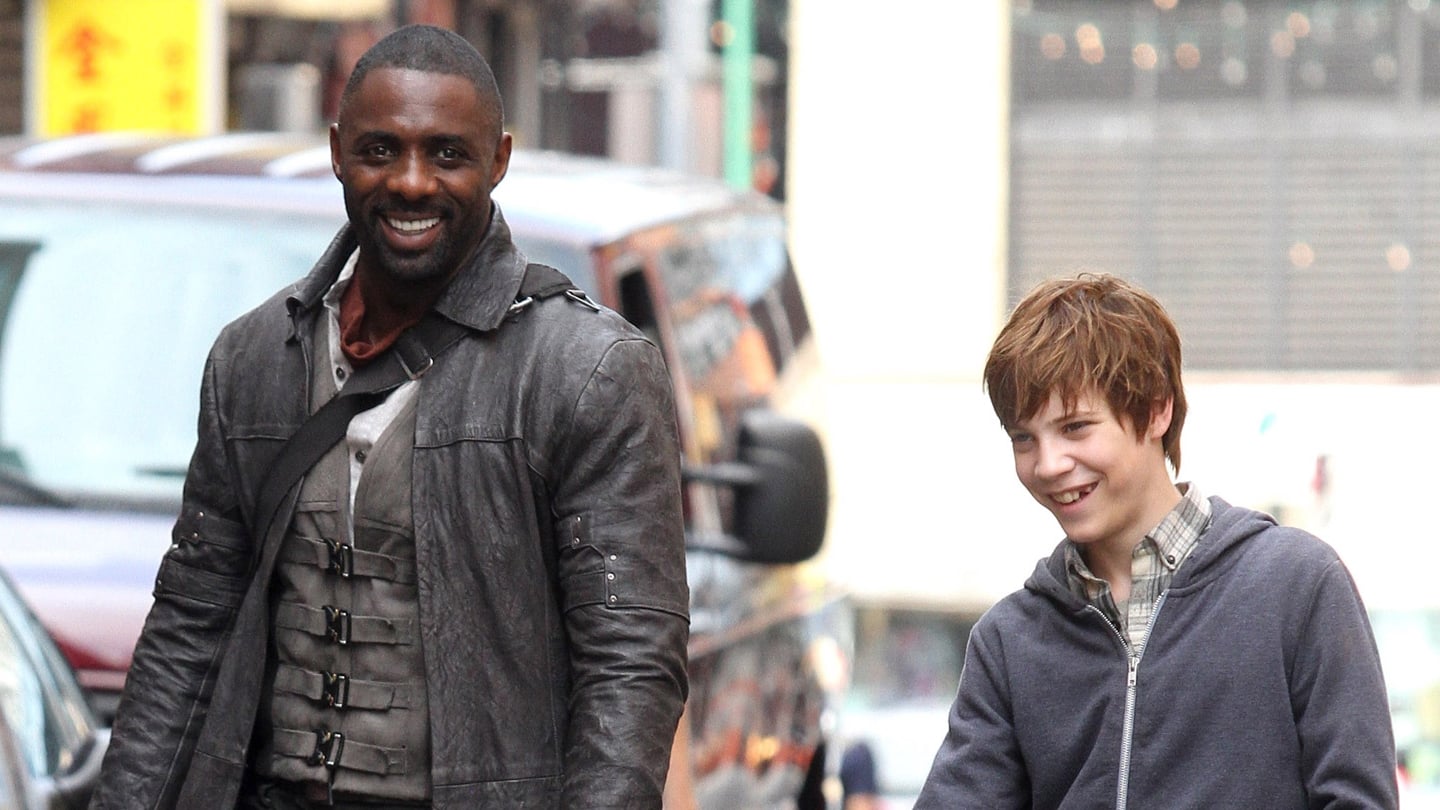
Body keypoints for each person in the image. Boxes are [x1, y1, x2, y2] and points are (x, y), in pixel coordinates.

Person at [90, 24, 689, 810]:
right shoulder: (253, 360)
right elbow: (188, 626)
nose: (411, 183)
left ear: (498, 161)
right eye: (380, 151)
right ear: (338, 152)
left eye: (447, 154)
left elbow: (630, 668)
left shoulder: (587, 372)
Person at [915, 273, 1397, 809]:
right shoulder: (1008, 641)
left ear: (1156, 410)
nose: (1048, 464)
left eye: (1075, 428)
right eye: (1023, 438)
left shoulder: (1297, 587)